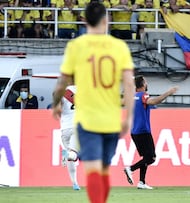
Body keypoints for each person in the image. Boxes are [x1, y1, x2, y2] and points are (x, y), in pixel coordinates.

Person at [52, 2, 135, 203]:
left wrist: (56, 103)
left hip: (87, 120)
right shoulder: (119, 46)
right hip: (110, 117)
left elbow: (62, 82)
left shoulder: (76, 46)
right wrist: (129, 117)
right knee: (104, 167)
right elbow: (129, 84)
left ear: (85, 21)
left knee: (92, 168)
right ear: (106, 20)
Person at [124, 75, 178, 189]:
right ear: (143, 84)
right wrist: (168, 93)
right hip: (143, 131)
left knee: (145, 157)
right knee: (151, 158)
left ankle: (141, 182)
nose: (147, 83)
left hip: (134, 131)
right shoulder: (143, 95)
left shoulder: (133, 96)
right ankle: (130, 169)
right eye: (145, 81)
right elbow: (153, 101)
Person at [59, 85, 80, 191]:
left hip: (64, 128)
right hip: (76, 128)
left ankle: (75, 183)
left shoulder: (63, 91)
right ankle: (66, 154)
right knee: (74, 155)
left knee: (71, 160)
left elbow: (57, 109)